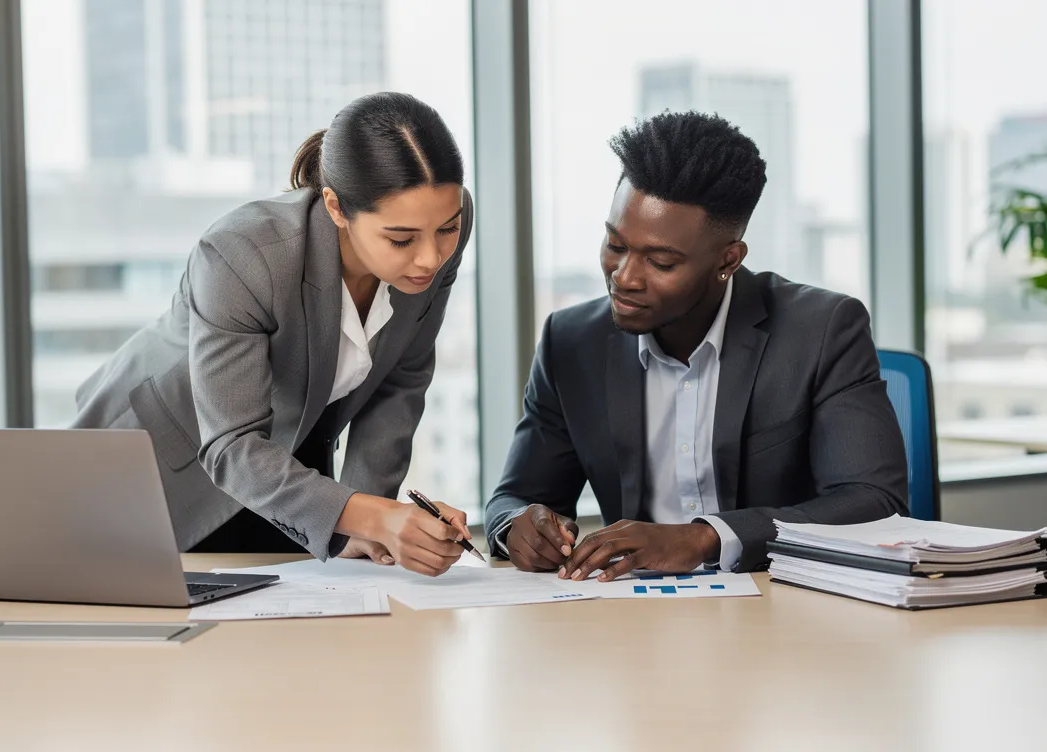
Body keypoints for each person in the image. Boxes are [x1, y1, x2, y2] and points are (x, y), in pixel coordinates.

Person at [483, 111, 908, 580]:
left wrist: (705, 537)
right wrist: (517, 527)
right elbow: (515, 498)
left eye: (661, 261)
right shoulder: (571, 342)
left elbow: (873, 503)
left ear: (728, 259)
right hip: (628, 617)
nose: (624, 277)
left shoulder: (821, 330)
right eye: (615, 245)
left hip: (781, 609)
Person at [74, 92, 474, 577]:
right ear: (336, 207)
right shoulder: (244, 251)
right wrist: (376, 517)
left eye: (447, 230)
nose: (431, 258)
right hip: (168, 461)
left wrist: (368, 525)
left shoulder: (438, 224)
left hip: (292, 462)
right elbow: (233, 445)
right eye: (401, 239)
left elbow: (401, 380)